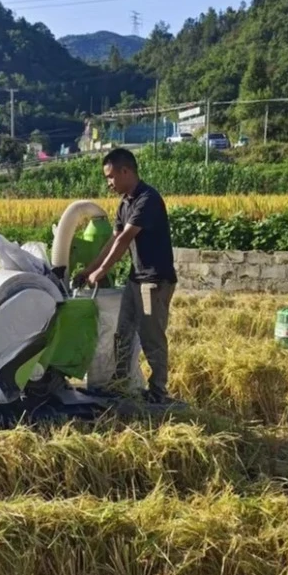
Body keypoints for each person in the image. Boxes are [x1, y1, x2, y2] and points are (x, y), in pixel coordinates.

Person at [73, 147, 177, 404]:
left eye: (111, 177)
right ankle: (120, 383)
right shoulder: (125, 203)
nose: (108, 183)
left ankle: (158, 392)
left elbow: (126, 239)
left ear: (126, 171)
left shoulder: (147, 199)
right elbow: (114, 239)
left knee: (151, 336)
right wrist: (90, 269)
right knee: (123, 332)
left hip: (154, 279)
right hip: (136, 278)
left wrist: (102, 271)